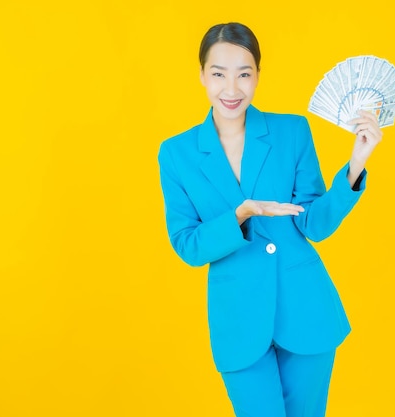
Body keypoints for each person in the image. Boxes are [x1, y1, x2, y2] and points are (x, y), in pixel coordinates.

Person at [158, 22, 382, 417]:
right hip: (239, 319)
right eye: (219, 74)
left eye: (244, 74)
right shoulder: (176, 153)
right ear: (201, 75)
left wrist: (355, 166)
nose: (232, 89)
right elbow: (188, 245)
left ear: (258, 75)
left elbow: (313, 223)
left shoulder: (292, 130)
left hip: (305, 308)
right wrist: (241, 213)